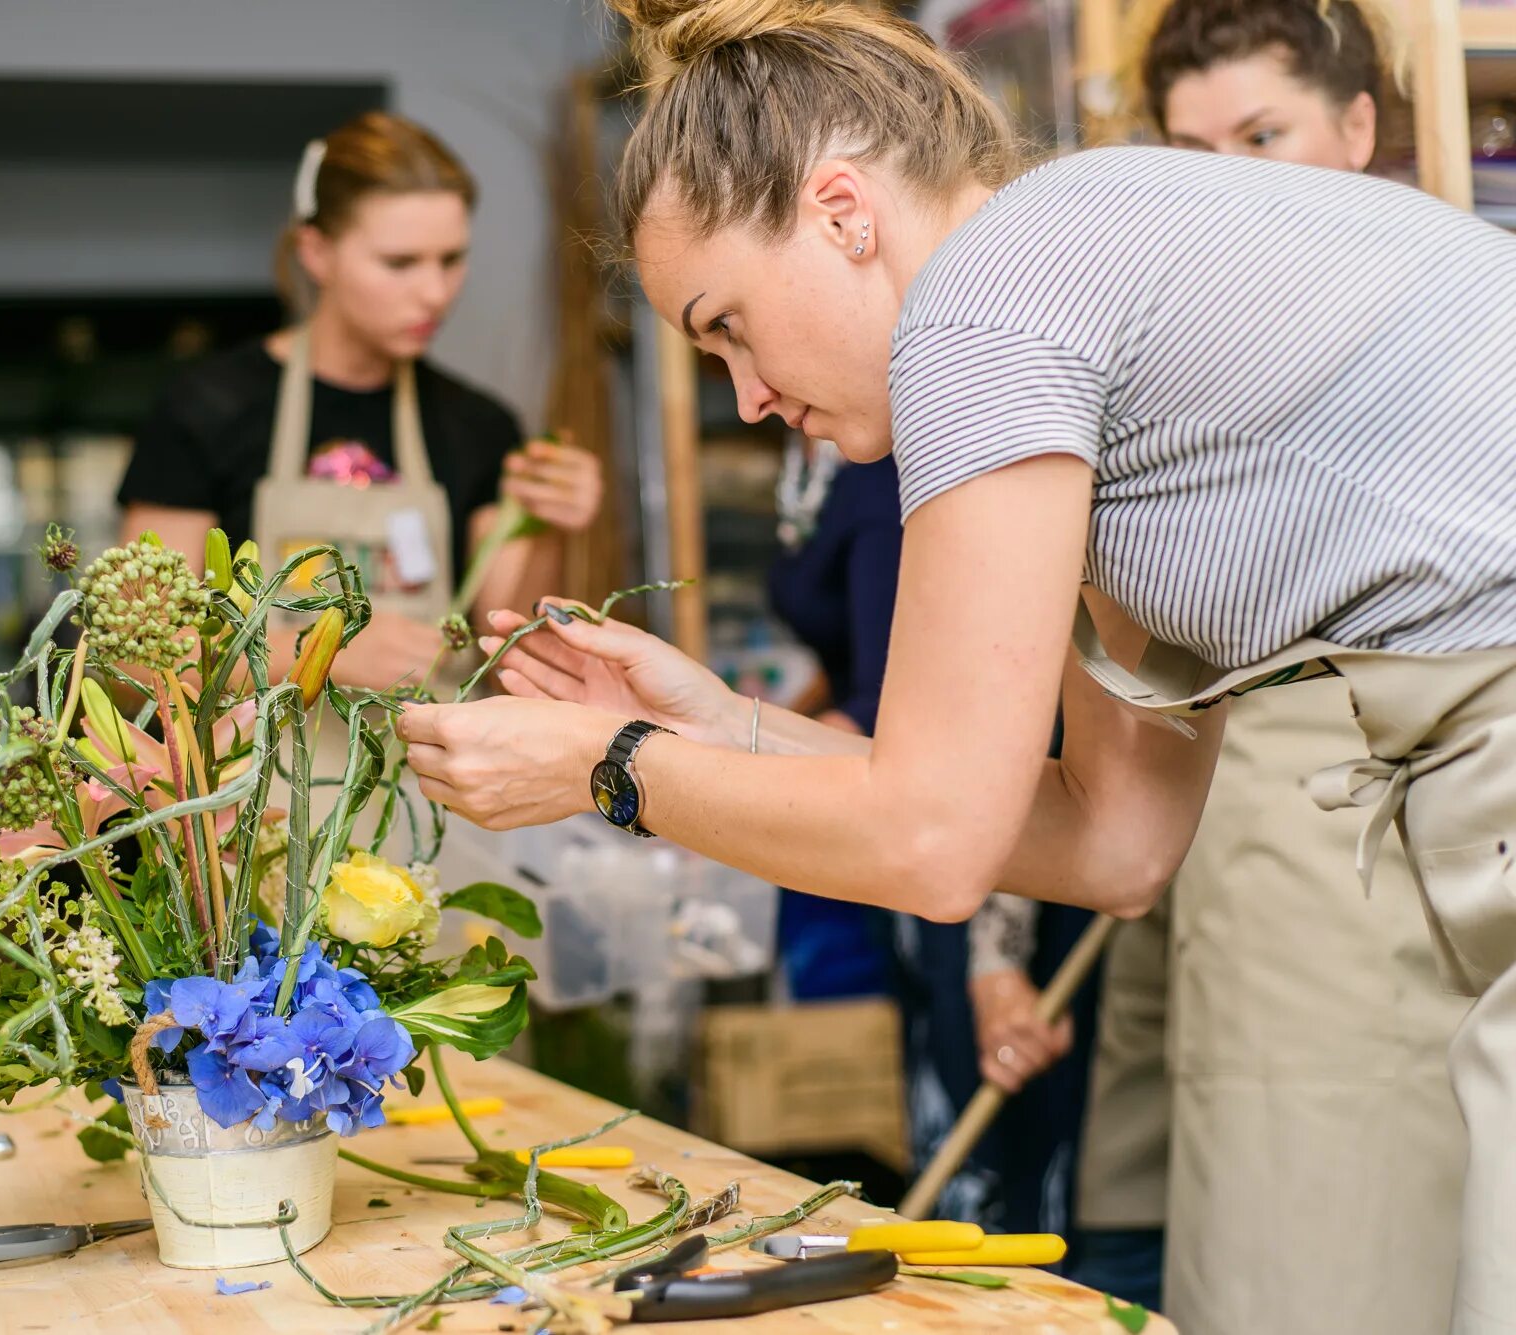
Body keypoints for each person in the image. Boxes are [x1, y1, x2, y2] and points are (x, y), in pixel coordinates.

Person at [396, 5, 1516, 1330]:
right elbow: (1113, 839)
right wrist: (716, 724)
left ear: (841, 212)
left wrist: (612, 768)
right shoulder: (1072, 291)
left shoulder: (986, 299)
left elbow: (927, 844)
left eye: (730, 325)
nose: (747, 395)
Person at [1065, 3, 1471, 1328]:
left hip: (1364, 816)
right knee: (1202, 1200)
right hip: (1197, 826)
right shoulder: (1149, 350)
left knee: (1351, 1217)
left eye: (1262, 133)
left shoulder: (1446, 313)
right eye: (1192, 151)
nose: (1230, 180)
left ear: (1359, 127)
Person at [116, 111, 602, 688]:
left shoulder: (478, 424)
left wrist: (543, 523)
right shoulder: (207, 406)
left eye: (451, 260)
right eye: (399, 263)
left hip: (426, 777)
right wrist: (321, 656)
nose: (434, 293)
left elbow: (508, 655)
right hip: (256, 777)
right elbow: (137, 650)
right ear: (317, 252)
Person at [769, 443, 1093, 1236]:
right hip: (898, 809)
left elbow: (1007, 722)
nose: (748, 394)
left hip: (982, 845)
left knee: (992, 1131)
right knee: (934, 1104)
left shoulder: (915, 457)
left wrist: (995, 959)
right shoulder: (820, 439)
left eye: (730, 324)